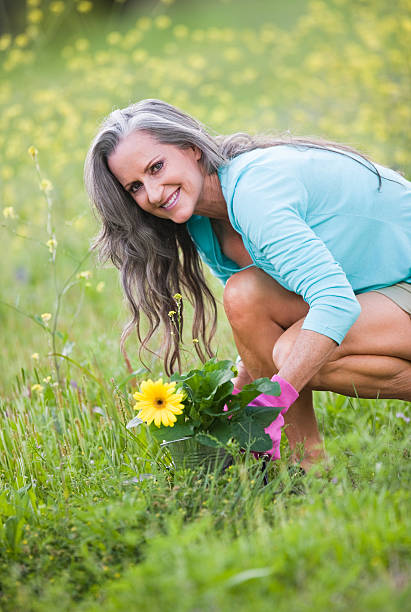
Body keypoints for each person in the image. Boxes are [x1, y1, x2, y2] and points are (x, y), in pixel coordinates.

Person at [84, 99, 411, 471]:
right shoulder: (205, 223)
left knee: (292, 355)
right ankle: (307, 465)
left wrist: (271, 402)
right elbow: (257, 323)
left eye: (157, 167)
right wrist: (231, 400)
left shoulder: (255, 194)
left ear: (191, 149)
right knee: (244, 296)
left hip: (401, 282)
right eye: (136, 187)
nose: (154, 193)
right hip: (380, 291)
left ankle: (294, 447)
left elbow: (334, 303)